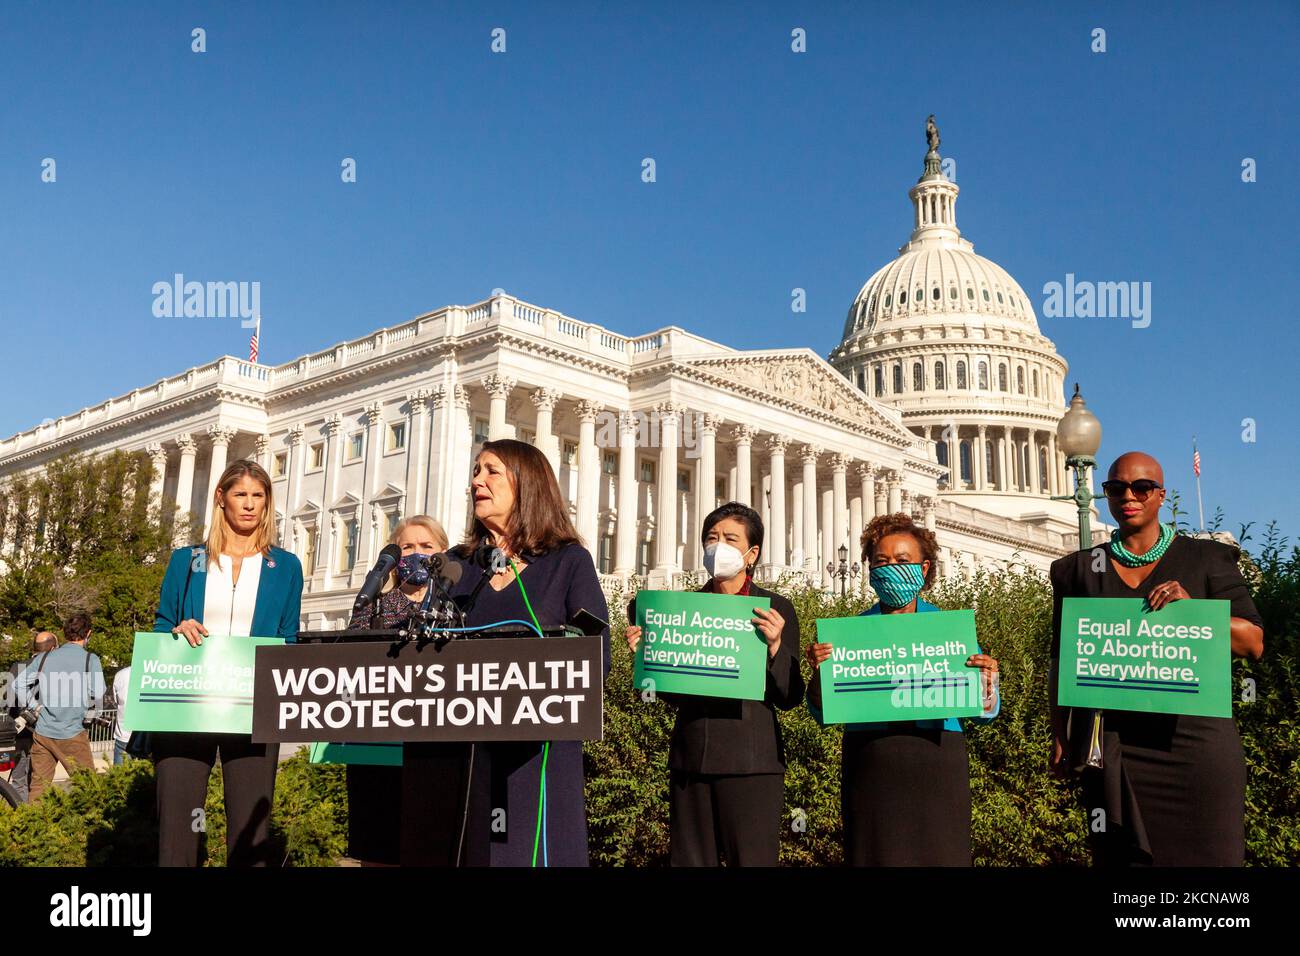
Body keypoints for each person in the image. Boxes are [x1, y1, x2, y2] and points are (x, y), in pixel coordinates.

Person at [1048, 451, 1264, 867]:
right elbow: (1062, 660)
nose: (1128, 496)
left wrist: (1192, 611)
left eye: (1141, 487)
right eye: (1115, 488)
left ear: (1161, 495)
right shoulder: (1077, 570)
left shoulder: (1206, 559)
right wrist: (1060, 733)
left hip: (1195, 745)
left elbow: (1253, 643)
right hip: (1115, 749)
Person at [402, 438, 610, 867]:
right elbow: (423, 647)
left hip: (538, 754)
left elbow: (597, 653)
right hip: (460, 753)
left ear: (527, 484)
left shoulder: (569, 561)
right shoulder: (456, 564)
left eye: (491, 471)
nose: (477, 481)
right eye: (475, 471)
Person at [806, 513, 1000, 865]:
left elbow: (984, 713)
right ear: (870, 569)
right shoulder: (849, 636)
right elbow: (822, 712)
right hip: (872, 762)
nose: (890, 567)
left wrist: (987, 684)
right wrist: (820, 674)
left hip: (935, 761)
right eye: (881, 561)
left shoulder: (948, 632)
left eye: (902, 560)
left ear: (923, 569)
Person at [625, 501, 803, 866]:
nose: (717, 546)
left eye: (730, 539)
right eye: (711, 538)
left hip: (752, 764)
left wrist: (775, 648)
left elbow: (791, 696)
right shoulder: (682, 610)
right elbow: (667, 693)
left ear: (751, 554)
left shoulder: (775, 608)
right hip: (692, 761)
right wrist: (647, 656)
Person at [152, 458, 303, 867]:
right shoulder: (187, 561)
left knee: (250, 835)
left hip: (253, 705)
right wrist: (177, 629)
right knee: (178, 832)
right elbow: (162, 623)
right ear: (221, 498)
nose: (250, 505)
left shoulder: (286, 567)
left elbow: (289, 636)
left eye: (259, 496)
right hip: (188, 703)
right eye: (241, 495)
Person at [345, 514, 449, 866]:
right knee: (378, 848)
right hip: (379, 754)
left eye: (426, 546)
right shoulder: (371, 607)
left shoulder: (454, 611)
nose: (416, 554)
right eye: (407, 547)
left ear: (441, 555)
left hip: (438, 753)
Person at [16, 614, 106, 801]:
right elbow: (98, 693)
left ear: (65, 634)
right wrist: (88, 713)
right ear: (88, 633)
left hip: (43, 732)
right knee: (88, 788)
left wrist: (36, 707)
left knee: (38, 790)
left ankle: (34, 828)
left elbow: (18, 684)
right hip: (73, 732)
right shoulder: (91, 659)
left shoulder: (44, 658)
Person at [7, 631, 59, 802]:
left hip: (18, 733)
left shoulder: (17, 666)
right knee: (39, 782)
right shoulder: (55, 670)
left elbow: (7, 698)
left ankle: (21, 816)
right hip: (42, 734)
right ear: (53, 648)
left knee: (18, 781)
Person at [111, 664, 132, 766]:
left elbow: (117, 701)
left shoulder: (121, 674)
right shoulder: (156, 674)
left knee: (120, 778)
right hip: (148, 736)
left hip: (124, 734)